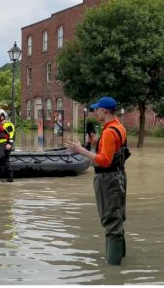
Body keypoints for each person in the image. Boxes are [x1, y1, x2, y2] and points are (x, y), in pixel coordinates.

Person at [65, 96, 129, 265]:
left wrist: (81, 150)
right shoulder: (119, 127)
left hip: (108, 180)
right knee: (117, 218)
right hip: (119, 175)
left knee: (111, 222)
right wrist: (96, 142)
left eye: (96, 109)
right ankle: (119, 257)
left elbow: (104, 160)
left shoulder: (108, 132)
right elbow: (113, 151)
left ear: (103, 110)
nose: (94, 112)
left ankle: (113, 268)